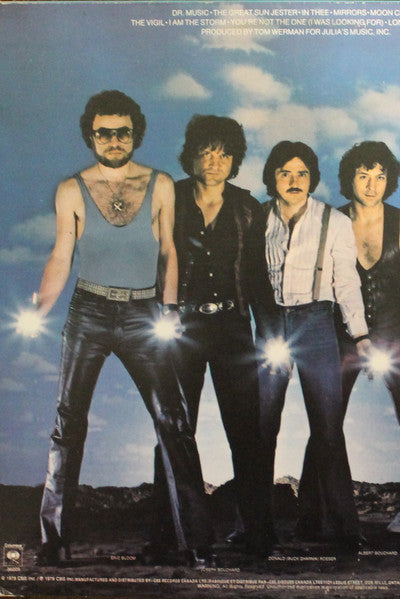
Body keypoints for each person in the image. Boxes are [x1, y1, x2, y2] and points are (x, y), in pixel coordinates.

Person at [34, 90, 214, 567]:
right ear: (90, 136)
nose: (114, 140)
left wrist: (170, 309)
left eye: (123, 132)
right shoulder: (71, 189)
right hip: (88, 311)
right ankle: (53, 541)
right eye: (104, 133)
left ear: (135, 135)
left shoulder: (160, 184)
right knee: (68, 423)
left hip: (143, 313)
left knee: (174, 421)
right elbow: (61, 254)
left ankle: (195, 542)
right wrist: (41, 305)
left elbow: (168, 251)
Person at [299, 141, 400, 536]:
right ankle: (310, 518)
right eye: (363, 175)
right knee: (325, 425)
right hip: (341, 338)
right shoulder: (330, 221)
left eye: (380, 176)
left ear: (389, 181)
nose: (372, 185)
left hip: (394, 338)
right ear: (349, 179)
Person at [149, 114, 276, 558]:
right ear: (192, 156)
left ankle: (258, 534)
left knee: (246, 431)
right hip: (180, 328)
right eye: (207, 151)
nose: (216, 161)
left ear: (235, 159)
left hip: (233, 328)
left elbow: (257, 275)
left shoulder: (247, 207)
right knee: (174, 428)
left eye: (224, 153)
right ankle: (168, 535)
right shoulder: (172, 197)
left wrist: (269, 331)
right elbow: (157, 258)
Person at [258, 141, 370, 554]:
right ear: (272, 177)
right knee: (262, 426)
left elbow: (347, 281)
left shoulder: (333, 220)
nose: (294, 181)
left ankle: (345, 529)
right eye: (285, 173)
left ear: (312, 179)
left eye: (302, 173)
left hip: (318, 322)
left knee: (328, 426)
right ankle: (255, 526)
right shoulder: (258, 217)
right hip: (272, 324)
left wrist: (360, 334)